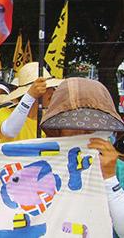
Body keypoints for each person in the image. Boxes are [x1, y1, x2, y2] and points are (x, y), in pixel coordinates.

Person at [40, 77, 124, 237]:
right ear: (58, 131)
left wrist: (110, 180)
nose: (84, 134)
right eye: (74, 127)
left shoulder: (119, 170)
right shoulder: (43, 166)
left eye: (94, 128)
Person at [0, 62, 63, 142]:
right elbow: (9, 131)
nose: (52, 91)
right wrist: (30, 96)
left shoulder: (48, 118)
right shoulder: (5, 112)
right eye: (47, 88)